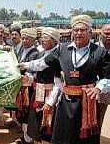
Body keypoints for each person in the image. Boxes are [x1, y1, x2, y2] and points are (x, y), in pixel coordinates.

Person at [19, 15, 110, 144]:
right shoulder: (62, 49)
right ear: (72, 32)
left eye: (82, 30)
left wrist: (98, 88)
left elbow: (107, 77)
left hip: (87, 103)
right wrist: (25, 65)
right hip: (65, 102)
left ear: (90, 33)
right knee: (64, 136)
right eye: (76, 30)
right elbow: (43, 63)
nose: (79, 33)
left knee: (85, 139)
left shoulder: (100, 53)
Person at [26, 27, 60, 144]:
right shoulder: (40, 54)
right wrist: (28, 78)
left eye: (46, 37)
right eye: (42, 37)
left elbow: (58, 83)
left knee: (47, 126)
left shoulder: (58, 56)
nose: (42, 40)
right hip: (38, 94)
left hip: (50, 96)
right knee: (35, 124)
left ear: (55, 40)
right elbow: (35, 74)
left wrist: (51, 102)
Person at [15, 28, 39, 144]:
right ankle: (25, 136)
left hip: (29, 89)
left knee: (26, 114)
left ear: (33, 40)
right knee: (22, 114)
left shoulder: (35, 53)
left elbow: (34, 74)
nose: (24, 41)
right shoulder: (21, 51)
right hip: (21, 88)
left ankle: (28, 139)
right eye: (23, 38)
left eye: (27, 39)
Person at [96, 24, 110, 130]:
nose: (109, 36)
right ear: (101, 34)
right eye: (106, 33)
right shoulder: (93, 49)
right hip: (98, 89)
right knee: (97, 117)